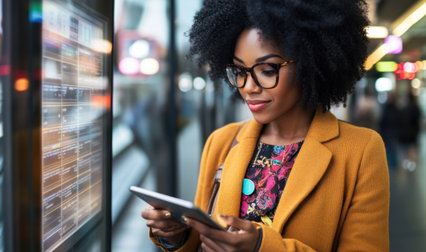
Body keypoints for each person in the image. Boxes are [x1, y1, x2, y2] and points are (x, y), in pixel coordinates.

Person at [141, 0, 390, 251]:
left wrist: (262, 246)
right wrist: (177, 236)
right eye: (239, 71)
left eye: (268, 70)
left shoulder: (361, 150)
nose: (249, 86)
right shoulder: (221, 141)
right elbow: (202, 239)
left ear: (310, 63)